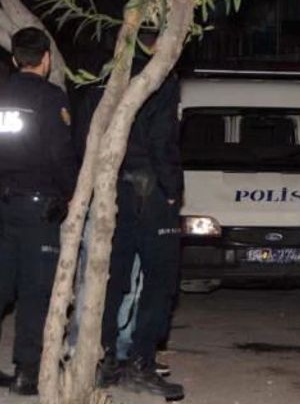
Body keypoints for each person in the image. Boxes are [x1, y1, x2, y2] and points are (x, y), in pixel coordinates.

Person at [0, 28, 78, 396]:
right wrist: (70, 193)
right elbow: (60, 155)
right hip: (38, 209)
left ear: (15, 59)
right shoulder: (50, 98)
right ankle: (26, 371)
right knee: (35, 290)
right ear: (46, 59)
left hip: (1, 206)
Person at [92, 35, 185, 401]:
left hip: (114, 188)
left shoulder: (109, 74)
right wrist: (173, 189)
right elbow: (162, 140)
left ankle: (105, 359)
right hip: (150, 192)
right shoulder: (161, 77)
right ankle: (141, 363)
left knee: (113, 279)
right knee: (160, 282)